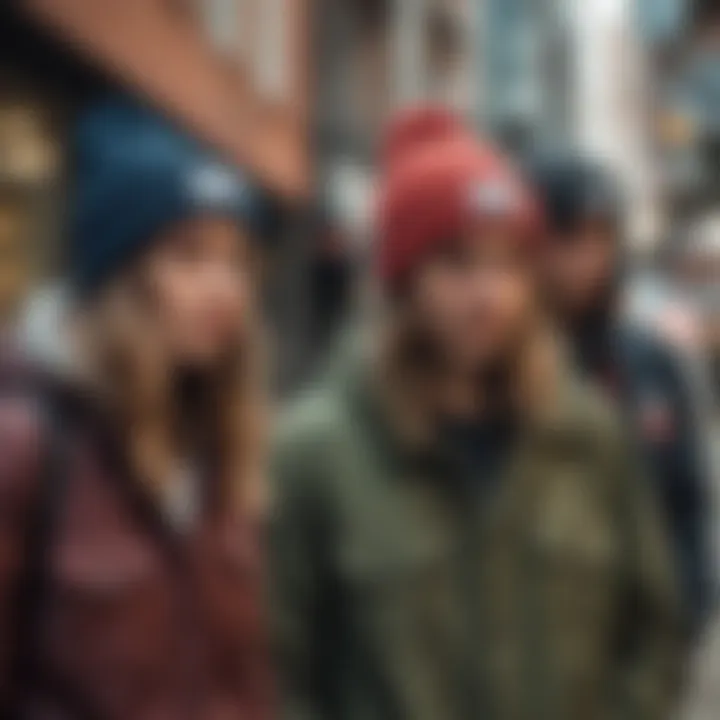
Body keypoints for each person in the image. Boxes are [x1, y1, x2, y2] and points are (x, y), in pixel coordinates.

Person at [271, 107, 680, 720]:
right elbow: (280, 671)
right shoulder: (315, 452)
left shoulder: (587, 435)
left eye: (510, 264)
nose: (490, 294)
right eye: (459, 263)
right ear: (405, 279)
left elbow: (653, 628)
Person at [0, 98, 273, 718]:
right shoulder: (24, 444)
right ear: (121, 274)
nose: (225, 287)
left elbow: (245, 680)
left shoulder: (219, 445)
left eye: (236, 259)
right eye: (188, 255)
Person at [529, 155, 715, 639]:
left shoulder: (649, 366)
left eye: (601, 238)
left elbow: (685, 503)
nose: (588, 259)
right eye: (569, 237)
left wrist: (683, 619)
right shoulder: (493, 375)